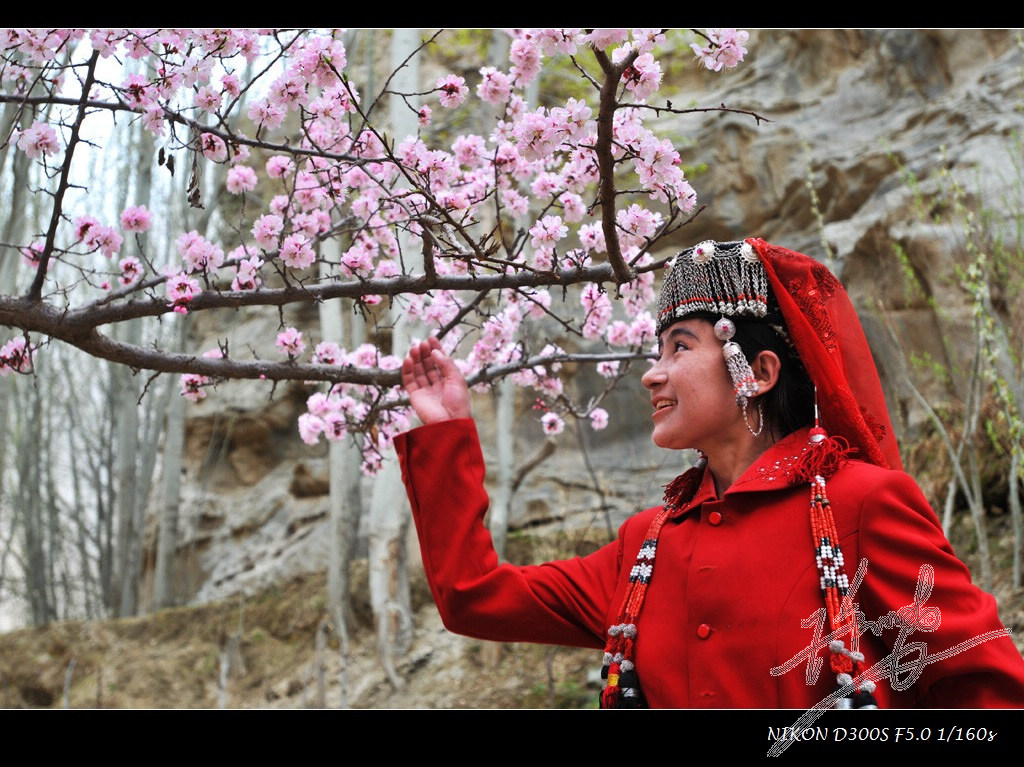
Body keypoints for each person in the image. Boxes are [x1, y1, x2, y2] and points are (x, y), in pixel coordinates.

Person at [394, 237, 1024, 708]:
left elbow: (986, 686)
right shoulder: (646, 546)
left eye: (681, 348)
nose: (652, 373)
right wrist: (445, 432)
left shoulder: (861, 505)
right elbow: (472, 595)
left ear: (760, 373)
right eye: (655, 351)